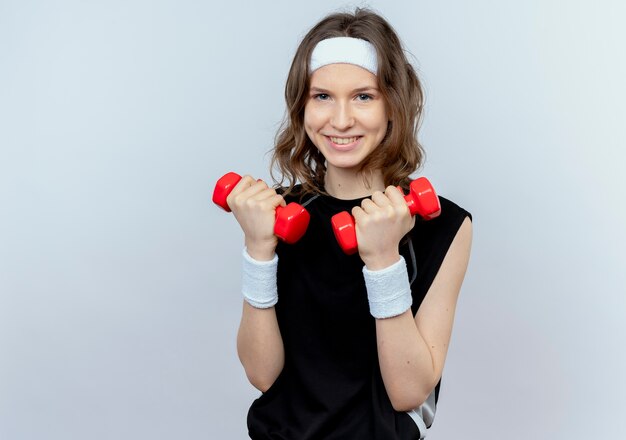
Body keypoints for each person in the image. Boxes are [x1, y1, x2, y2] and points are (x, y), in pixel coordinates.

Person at [225, 7, 473, 439]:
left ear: (393, 105)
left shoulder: (444, 224)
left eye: (363, 96)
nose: (340, 120)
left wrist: (382, 261)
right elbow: (263, 376)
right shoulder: (275, 215)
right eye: (322, 96)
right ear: (301, 106)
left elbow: (409, 392)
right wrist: (258, 251)